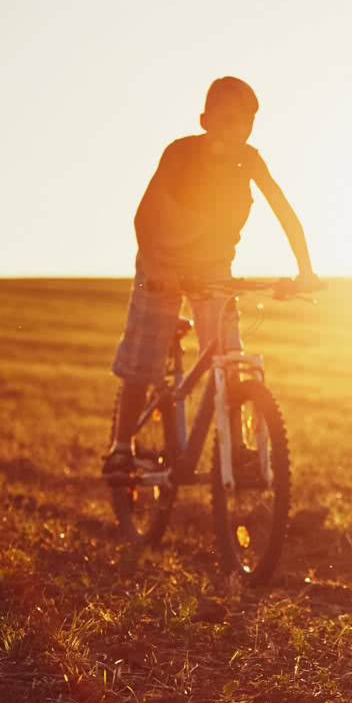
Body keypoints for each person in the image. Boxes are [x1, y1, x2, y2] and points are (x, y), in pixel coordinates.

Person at [104, 76, 320, 481]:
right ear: (204, 120)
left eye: (248, 121)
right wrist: (158, 270)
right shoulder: (180, 154)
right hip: (161, 261)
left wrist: (305, 270)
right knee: (144, 357)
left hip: (212, 267)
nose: (239, 130)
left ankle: (236, 450)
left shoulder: (251, 161)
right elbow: (143, 217)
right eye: (229, 119)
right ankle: (121, 448)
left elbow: (285, 213)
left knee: (228, 354)